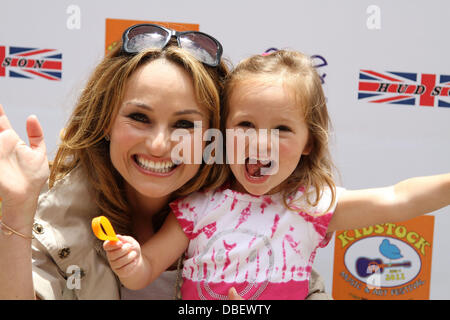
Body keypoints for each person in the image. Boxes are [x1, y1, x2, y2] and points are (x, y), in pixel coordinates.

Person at [0, 25, 329, 300]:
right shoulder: (57, 219)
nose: (159, 145)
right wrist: (16, 211)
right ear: (106, 122)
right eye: (139, 117)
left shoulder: (267, 218)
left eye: (185, 125)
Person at [103, 50, 450, 300]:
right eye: (245, 125)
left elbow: (400, 198)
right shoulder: (198, 205)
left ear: (308, 143)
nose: (260, 141)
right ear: (220, 135)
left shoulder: (313, 205)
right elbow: (144, 271)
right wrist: (130, 261)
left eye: (281, 128)